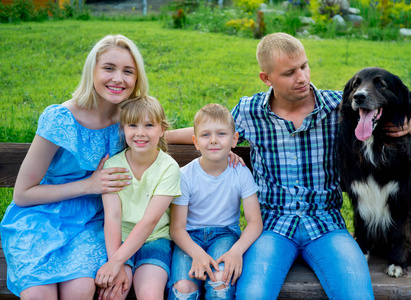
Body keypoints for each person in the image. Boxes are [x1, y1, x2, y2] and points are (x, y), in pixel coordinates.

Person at [165, 32, 411, 300]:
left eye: (304, 66)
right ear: (266, 78)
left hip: (326, 225)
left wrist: (405, 124)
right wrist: (158, 136)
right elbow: (212, 131)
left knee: (357, 295)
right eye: (289, 72)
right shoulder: (250, 112)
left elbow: (385, 110)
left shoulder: (337, 108)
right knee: (252, 296)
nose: (302, 78)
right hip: (272, 226)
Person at [0, 34, 148, 299]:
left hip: (93, 222)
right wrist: (89, 185)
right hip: (40, 218)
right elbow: (22, 194)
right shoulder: (60, 119)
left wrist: (218, 143)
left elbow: (163, 134)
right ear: (92, 71)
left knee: (80, 290)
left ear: (136, 79)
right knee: (38, 295)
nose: (118, 78)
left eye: (128, 71)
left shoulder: (129, 120)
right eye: (108, 68)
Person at [168, 104, 263, 300]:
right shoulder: (185, 176)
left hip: (224, 234)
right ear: (195, 142)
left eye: (221, 134)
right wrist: (196, 253)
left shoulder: (241, 173)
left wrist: (236, 251)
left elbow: (255, 222)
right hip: (189, 237)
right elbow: (177, 228)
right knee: (183, 288)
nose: (213, 140)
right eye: (205, 135)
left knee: (220, 281)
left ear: (234, 139)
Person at [95, 96, 181, 300]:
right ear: (123, 129)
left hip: (155, 240)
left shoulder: (168, 168)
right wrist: (116, 261)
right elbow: (113, 217)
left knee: (150, 294)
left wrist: (116, 263)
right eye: (132, 125)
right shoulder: (112, 166)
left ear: (162, 130)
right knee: (112, 293)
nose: (140, 132)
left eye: (149, 125)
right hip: (118, 240)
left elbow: (149, 222)